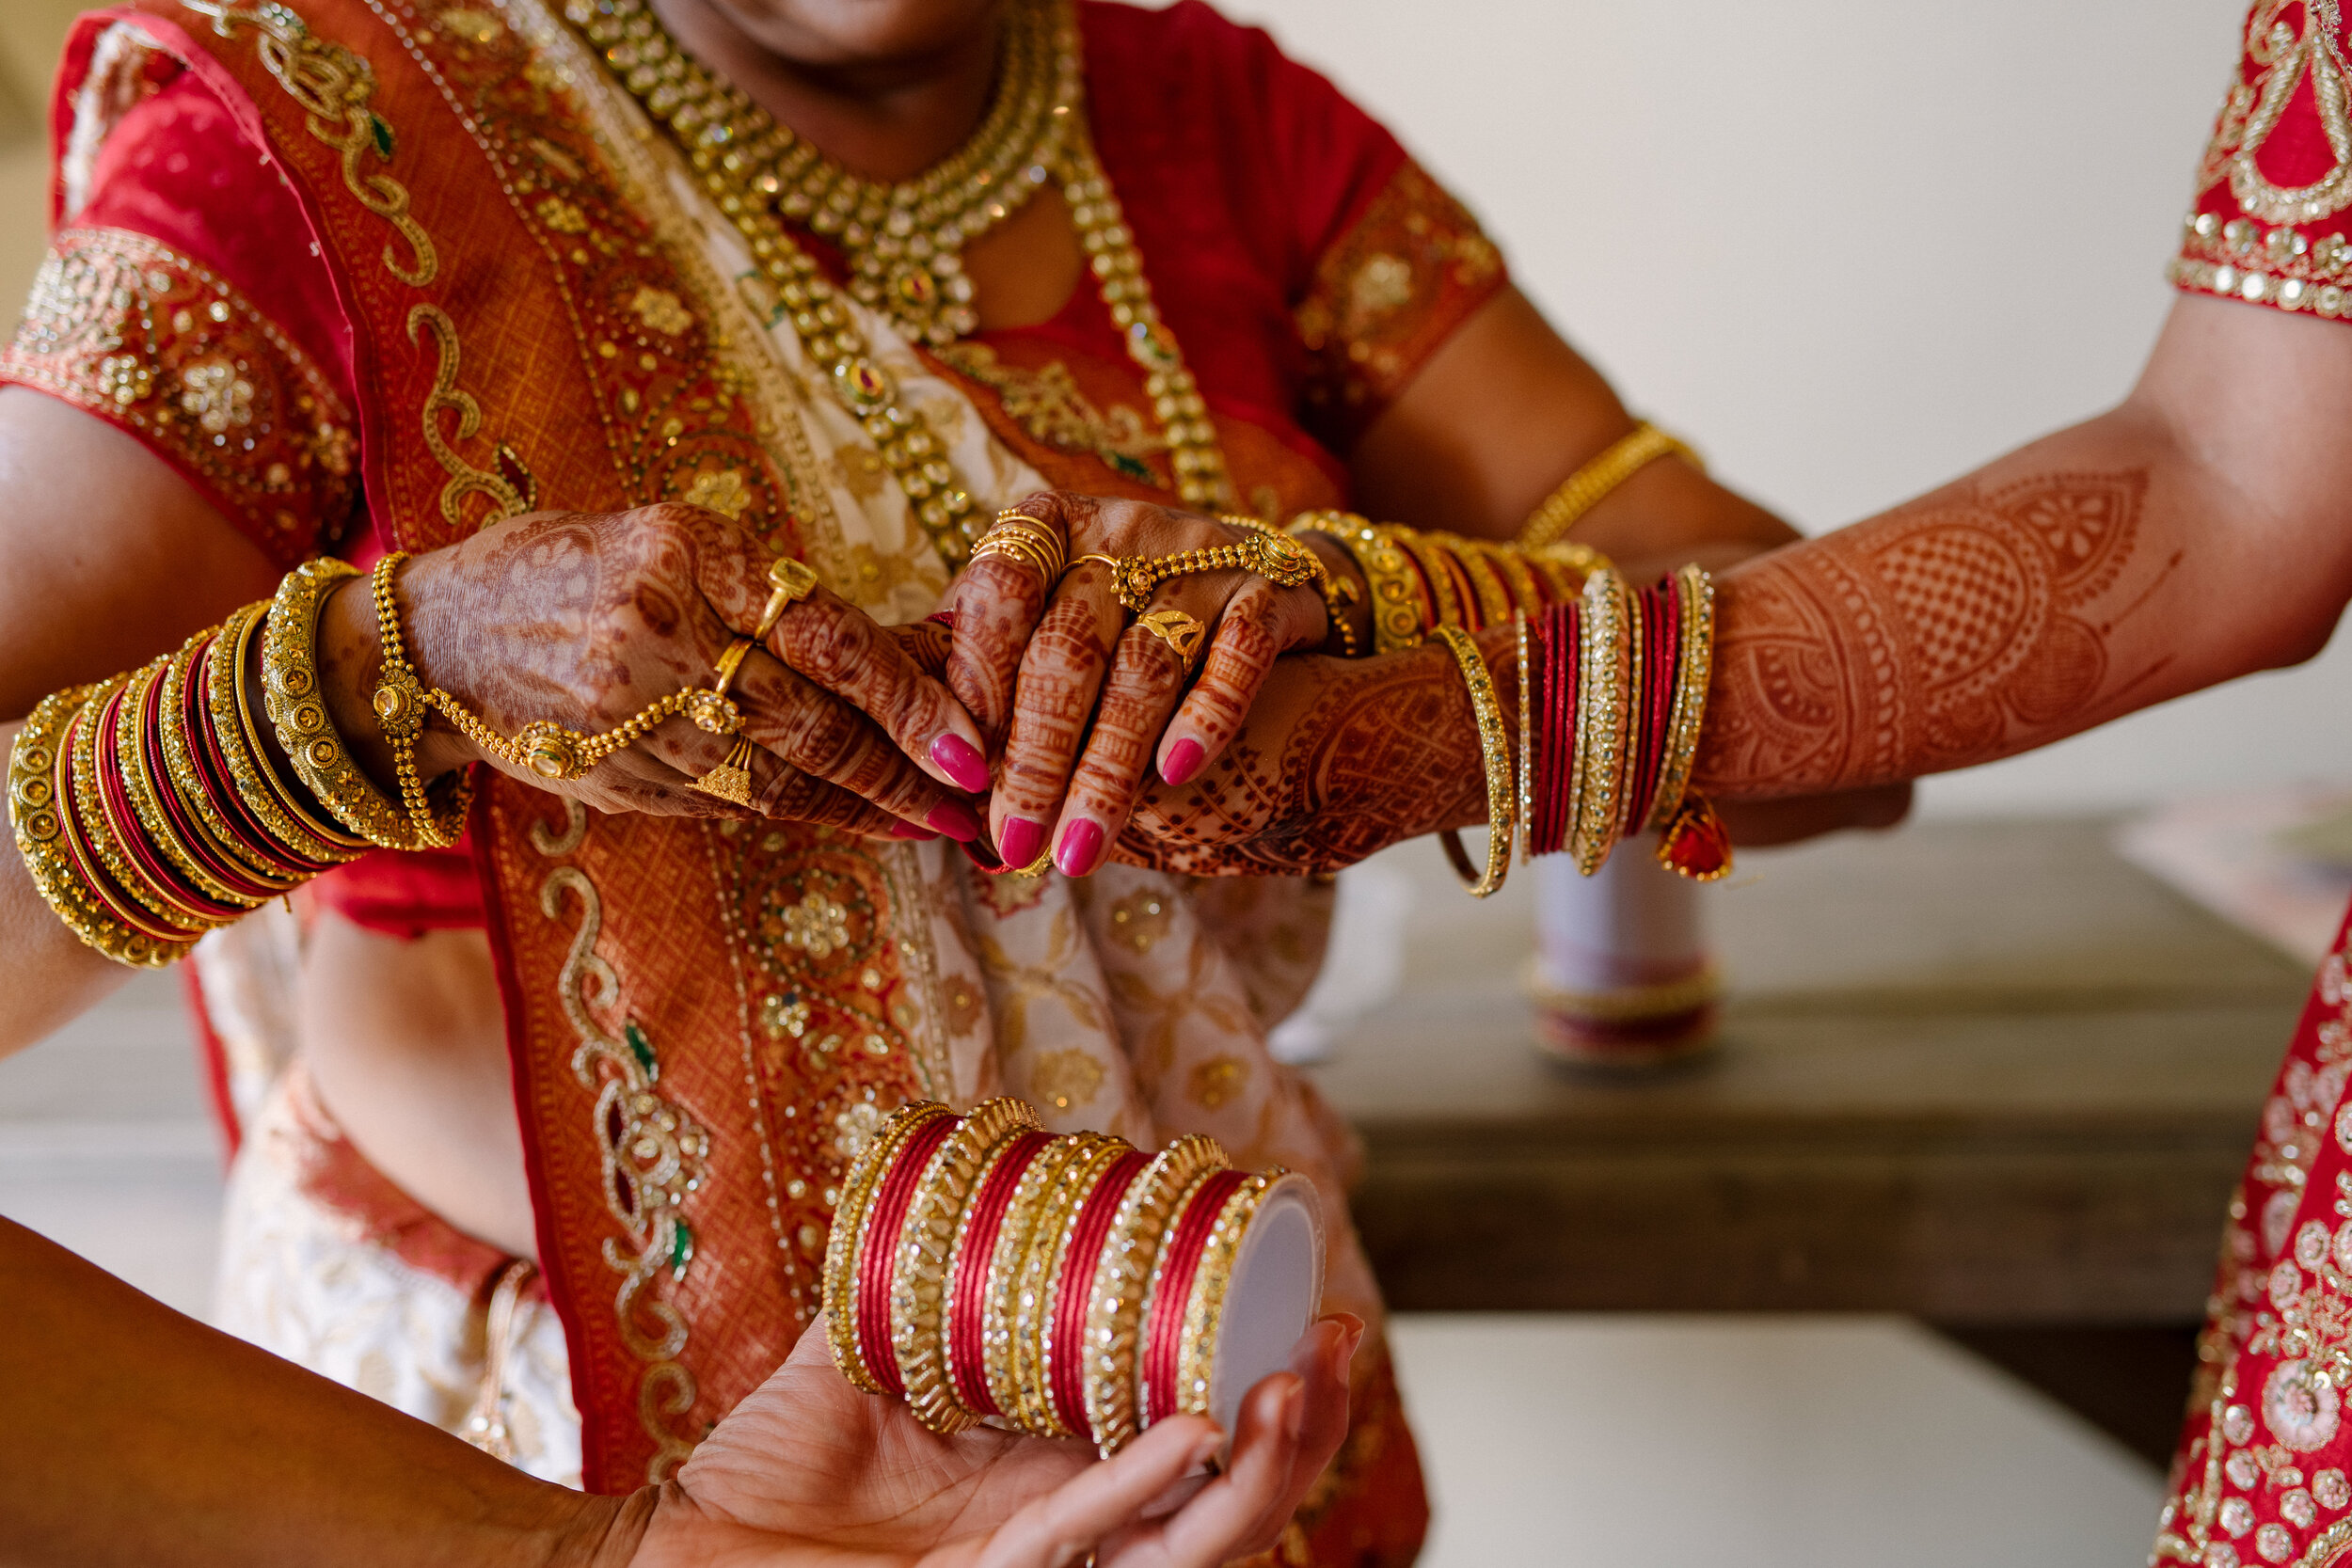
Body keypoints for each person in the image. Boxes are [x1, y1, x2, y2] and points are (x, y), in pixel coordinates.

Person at [0, 0, 1853, 1559]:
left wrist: (1374, 614)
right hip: (523, 1458)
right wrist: (382, 675)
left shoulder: (1210, 125)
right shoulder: (318, 146)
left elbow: (1809, 707)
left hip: (1186, 1391)